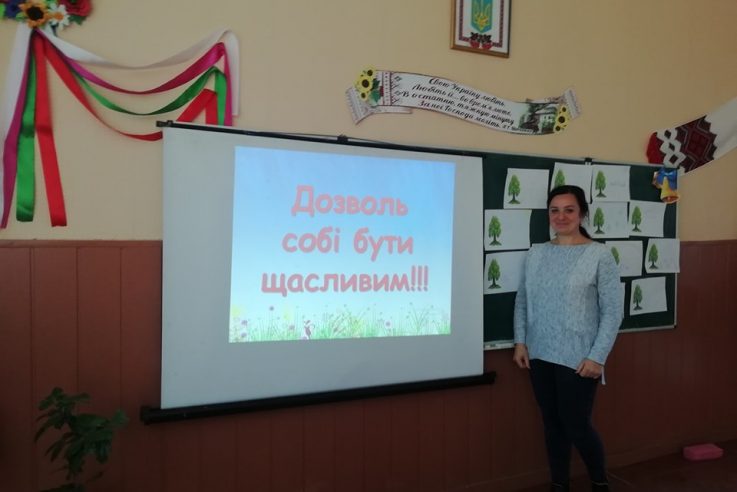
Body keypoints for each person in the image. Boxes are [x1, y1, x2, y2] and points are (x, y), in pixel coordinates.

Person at [513, 185, 623, 492]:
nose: (561, 216)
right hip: (539, 353)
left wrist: (597, 356)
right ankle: (559, 484)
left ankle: (599, 482)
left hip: (579, 358)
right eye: (554, 210)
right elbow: (523, 300)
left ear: (582, 214)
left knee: (576, 426)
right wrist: (521, 342)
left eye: (569, 210)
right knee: (552, 424)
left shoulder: (599, 255)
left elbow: (613, 312)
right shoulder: (537, 253)